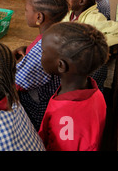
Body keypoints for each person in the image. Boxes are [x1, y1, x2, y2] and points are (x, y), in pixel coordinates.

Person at [38, 22, 108, 151]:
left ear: (61, 65)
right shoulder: (93, 90)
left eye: (43, 51)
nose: (40, 54)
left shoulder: (67, 119)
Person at [13, 0, 70, 130]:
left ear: (39, 16)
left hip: (35, 110)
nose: (25, 13)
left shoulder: (44, 46)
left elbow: (18, 84)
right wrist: (27, 49)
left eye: (26, 10)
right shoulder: (57, 34)